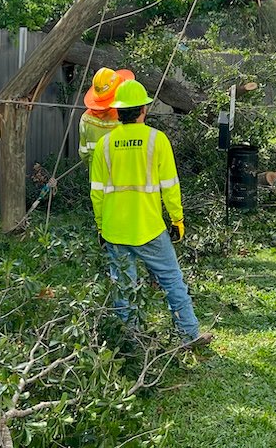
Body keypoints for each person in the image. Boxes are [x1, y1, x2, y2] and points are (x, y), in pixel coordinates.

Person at [89, 79, 212, 348]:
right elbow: (170, 186)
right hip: (149, 228)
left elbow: (96, 192)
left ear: (118, 111)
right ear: (143, 110)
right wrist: (177, 220)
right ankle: (189, 335)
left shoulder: (104, 145)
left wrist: (101, 227)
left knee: (124, 289)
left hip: (114, 229)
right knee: (171, 282)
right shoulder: (157, 140)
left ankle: (130, 341)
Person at [78, 67, 134, 165]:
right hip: (124, 175)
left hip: (97, 176)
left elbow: (84, 154)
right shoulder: (127, 118)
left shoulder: (86, 119)